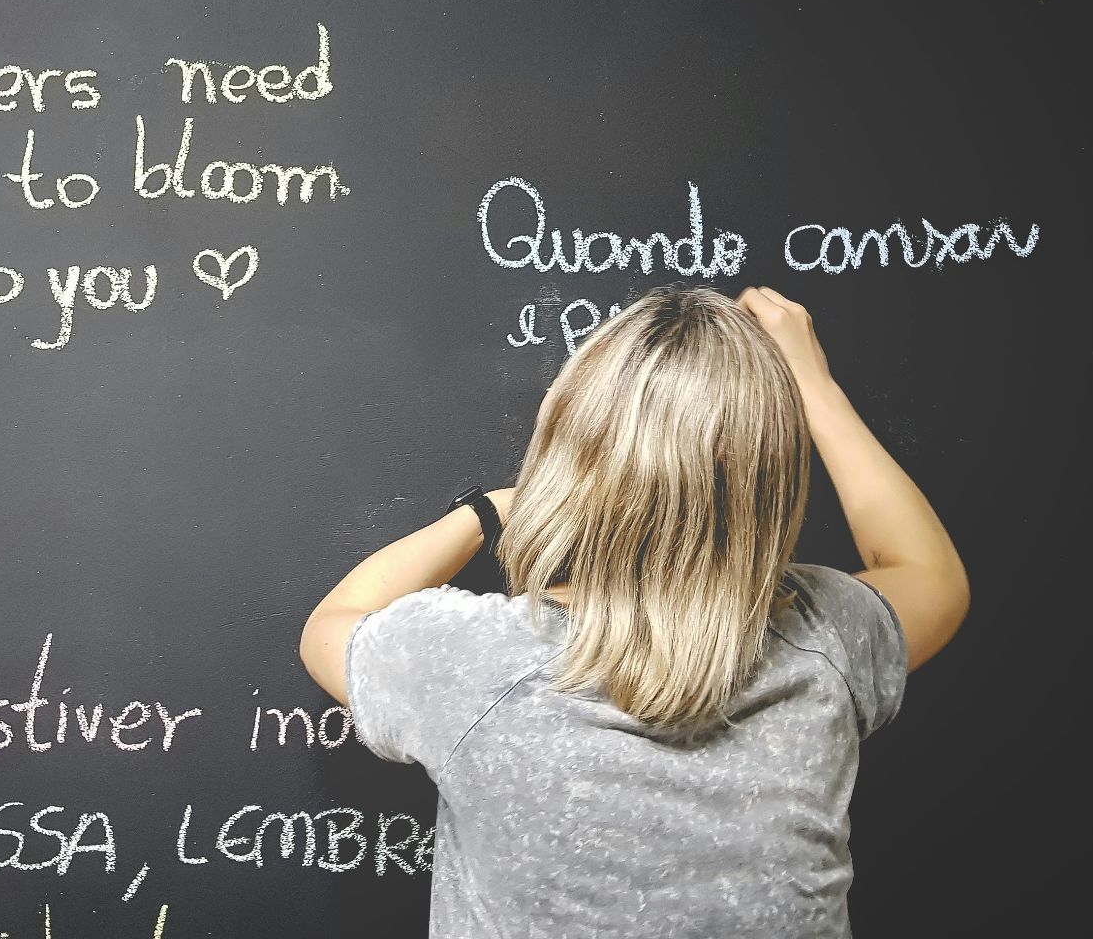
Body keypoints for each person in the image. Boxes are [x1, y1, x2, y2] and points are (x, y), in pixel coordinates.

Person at [298, 285, 968, 938]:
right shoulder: (827, 641)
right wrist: (814, 386)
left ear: (565, 447)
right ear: (772, 478)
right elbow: (929, 575)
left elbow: (334, 624)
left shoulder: (475, 664)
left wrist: (491, 512)